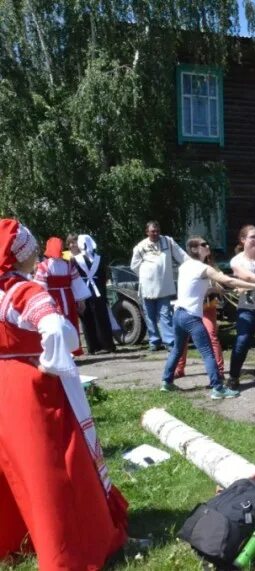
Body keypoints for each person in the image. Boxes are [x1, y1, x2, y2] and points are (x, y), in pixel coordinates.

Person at [0, 219, 128, 569]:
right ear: (21, 253)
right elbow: (57, 327)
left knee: (14, 466)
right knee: (54, 466)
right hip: (30, 387)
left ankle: (16, 538)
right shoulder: (22, 290)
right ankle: (68, 548)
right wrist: (52, 364)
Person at [161, 236, 255, 399]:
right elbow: (228, 280)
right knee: (207, 352)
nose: (208, 246)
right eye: (204, 244)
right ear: (195, 249)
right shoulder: (202, 268)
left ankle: (166, 382)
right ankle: (218, 388)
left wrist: (216, 290)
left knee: (177, 349)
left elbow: (199, 289)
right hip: (191, 316)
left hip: (178, 314)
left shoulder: (185, 266)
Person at [130, 220, 189, 351]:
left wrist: (192, 265)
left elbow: (181, 256)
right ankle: (154, 341)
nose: (155, 234)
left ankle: (169, 341)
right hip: (147, 287)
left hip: (164, 286)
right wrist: (147, 274)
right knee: (149, 315)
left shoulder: (168, 242)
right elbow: (134, 266)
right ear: (147, 232)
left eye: (157, 231)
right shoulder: (141, 246)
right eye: (152, 231)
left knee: (165, 314)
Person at [174, 241, 225, 380]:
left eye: (208, 245)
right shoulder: (189, 266)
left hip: (207, 307)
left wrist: (214, 288)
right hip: (191, 309)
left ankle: (219, 370)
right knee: (182, 340)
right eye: (204, 245)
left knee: (211, 335)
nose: (207, 247)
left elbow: (221, 284)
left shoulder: (212, 268)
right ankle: (179, 368)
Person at [228, 224, 255, 388]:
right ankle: (233, 376)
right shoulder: (236, 260)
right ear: (243, 239)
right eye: (252, 237)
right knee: (243, 340)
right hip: (248, 308)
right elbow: (245, 276)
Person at [33, 236, 90, 356]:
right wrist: (81, 301)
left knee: (56, 324)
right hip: (68, 298)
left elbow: (40, 287)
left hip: (53, 298)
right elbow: (77, 284)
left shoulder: (43, 266)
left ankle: (59, 352)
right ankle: (72, 349)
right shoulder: (68, 265)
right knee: (70, 323)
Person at [73, 234, 116, 354]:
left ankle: (100, 345)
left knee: (97, 318)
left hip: (91, 292)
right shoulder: (79, 260)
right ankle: (99, 345)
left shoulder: (96, 259)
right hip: (92, 291)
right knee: (91, 319)